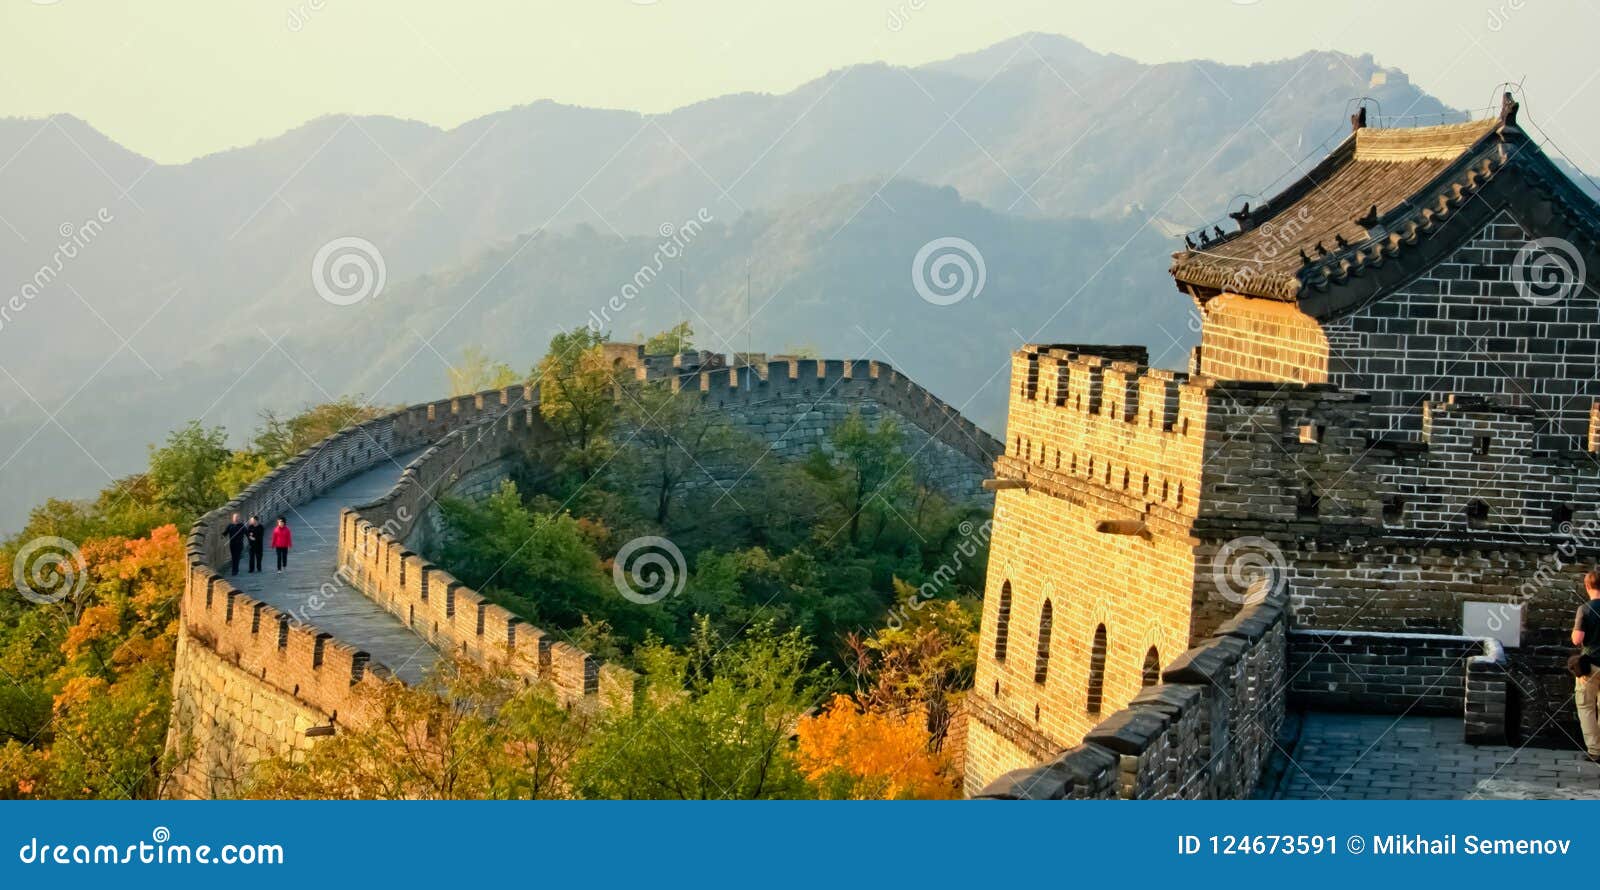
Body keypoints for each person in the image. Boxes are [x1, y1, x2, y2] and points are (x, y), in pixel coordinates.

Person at [1571, 568, 1600, 761]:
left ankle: (1596, 751)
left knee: (1586, 706)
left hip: (1591, 666)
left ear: (1587, 586)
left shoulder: (1585, 609)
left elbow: (1577, 639)